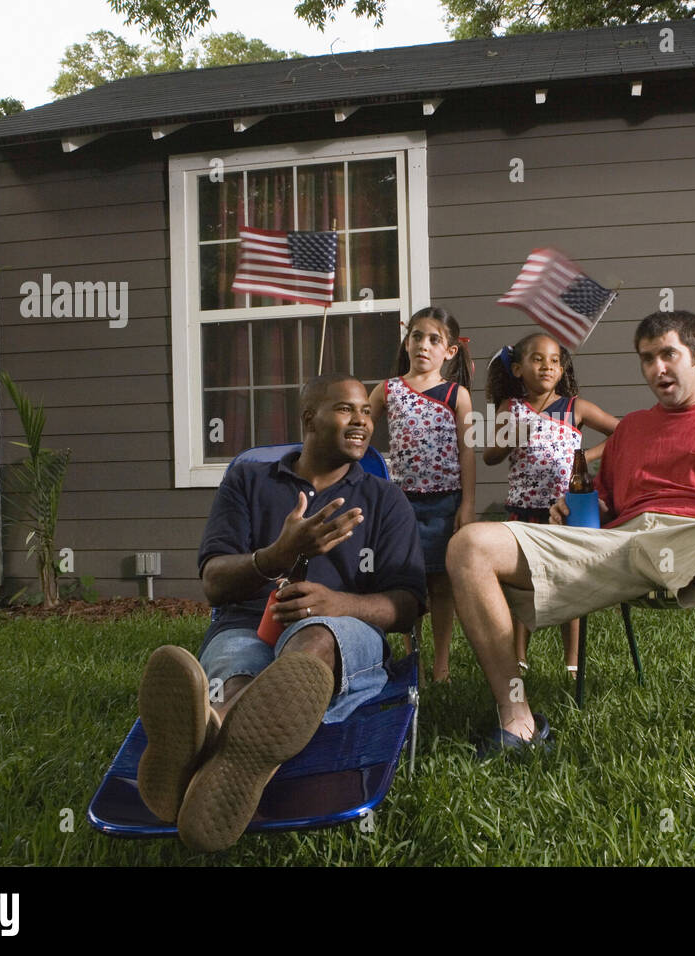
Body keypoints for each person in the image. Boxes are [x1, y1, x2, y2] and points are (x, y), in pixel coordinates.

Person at [447, 311, 695, 790]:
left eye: (669, 355)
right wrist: (579, 506)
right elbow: (603, 500)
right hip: (620, 544)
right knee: (470, 545)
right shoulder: (632, 430)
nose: (657, 369)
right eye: (647, 359)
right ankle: (517, 722)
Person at [137, 374, 426, 852]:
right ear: (309, 418)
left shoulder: (384, 498)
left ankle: (208, 732)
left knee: (316, 637)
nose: (361, 421)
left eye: (366, 412)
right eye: (345, 410)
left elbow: (408, 606)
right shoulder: (248, 480)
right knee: (238, 663)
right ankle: (239, 750)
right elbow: (213, 582)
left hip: (344, 634)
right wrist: (276, 555)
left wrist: (338, 604)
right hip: (247, 623)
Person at [483, 332, 618, 677]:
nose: (547, 366)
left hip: (564, 513)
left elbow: (621, 432)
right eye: (538, 359)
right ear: (517, 368)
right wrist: (512, 434)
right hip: (522, 512)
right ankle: (519, 658)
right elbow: (490, 457)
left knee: (568, 584)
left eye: (555, 360)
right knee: (520, 585)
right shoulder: (509, 409)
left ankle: (572, 662)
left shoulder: (576, 408)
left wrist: (584, 458)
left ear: (562, 370)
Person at [370, 307, 475, 682]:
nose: (423, 345)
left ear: (449, 351)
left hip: (444, 503)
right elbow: (360, 433)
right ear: (407, 340)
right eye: (416, 336)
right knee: (408, 583)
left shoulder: (456, 395)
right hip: (400, 505)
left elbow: (467, 451)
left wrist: (467, 504)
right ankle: (411, 655)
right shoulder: (388, 389)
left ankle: (441, 664)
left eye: (434, 339)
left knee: (441, 585)